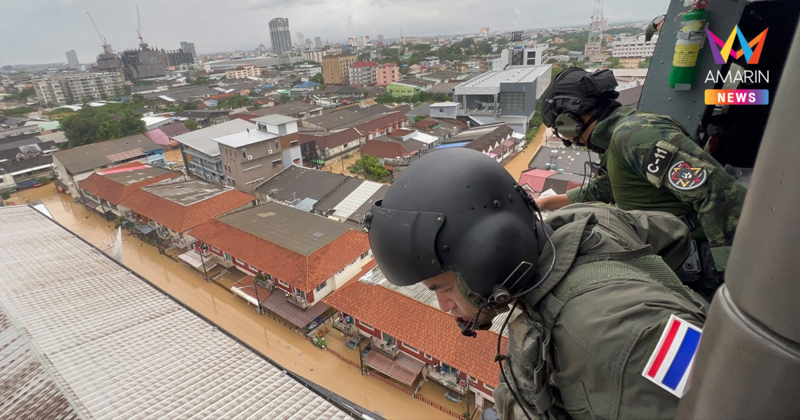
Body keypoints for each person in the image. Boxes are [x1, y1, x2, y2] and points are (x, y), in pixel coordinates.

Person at [365, 148, 707, 420]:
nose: (444, 305)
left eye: (442, 287)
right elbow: (676, 236)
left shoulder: (614, 334)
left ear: (489, 256)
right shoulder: (577, 226)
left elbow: (716, 396)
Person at [537, 68, 747, 299]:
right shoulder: (620, 140)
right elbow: (605, 188)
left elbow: (719, 194)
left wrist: (733, 278)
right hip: (677, 252)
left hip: (699, 261)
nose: (565, 138)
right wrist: (545, 203)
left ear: (567, 121)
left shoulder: (636, 136)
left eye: (560, 129)